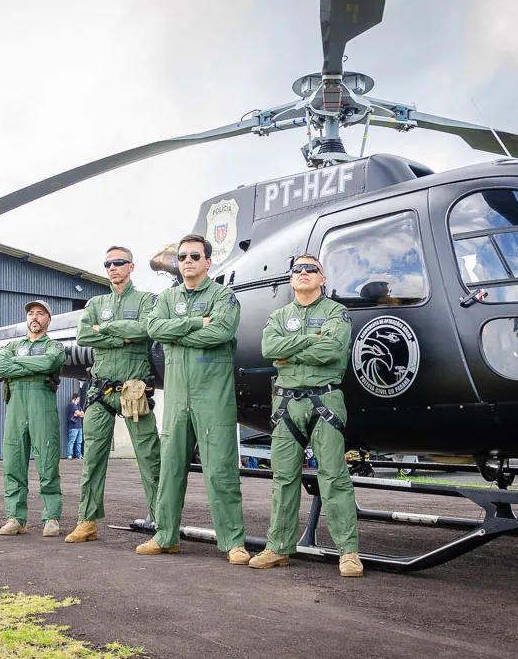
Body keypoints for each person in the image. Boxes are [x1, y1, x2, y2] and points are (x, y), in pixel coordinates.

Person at [137, 234, 249, 565]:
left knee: (220, 470)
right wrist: (195, 323)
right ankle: (165, 535)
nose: (187, 261)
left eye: (195, 256)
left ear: (207, 261)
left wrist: (178, 335)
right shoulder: (166, 297)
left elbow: (222, 332)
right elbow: (155, 328)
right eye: (183, 256)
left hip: (212, 397)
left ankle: (233, 541)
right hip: (176, 398)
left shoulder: (224, 296)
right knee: (170, 468)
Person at [249, 254, 363, 577]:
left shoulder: (336, 312)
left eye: (311, 269)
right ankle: (279, 547)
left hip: (324, 400)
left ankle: (349, 552)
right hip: (286, 405)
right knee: (283, 478)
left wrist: (291, 349)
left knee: (334, 476)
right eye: (297, 269)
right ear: (290, 279)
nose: (303, 273)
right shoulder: (278, 315)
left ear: (322, 278)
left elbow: (333, 350)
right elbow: (269, 348)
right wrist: (311, 341)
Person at [65, 246, 161, 544]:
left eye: (119, 263)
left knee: (150, 456)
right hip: (99, 391)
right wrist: (123, 334)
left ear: (131, 267)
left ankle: (163, 522)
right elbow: (83, 335)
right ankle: (86, 521)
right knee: (92, 458)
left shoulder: (147, 299)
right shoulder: (96, 302)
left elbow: (146, 328)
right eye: (108, 264)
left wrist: (104, 330)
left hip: (133, 390)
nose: (112, 268)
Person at [0, 299, 67, 537]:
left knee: (47, 461)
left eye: (40, 314)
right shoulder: (12, 346)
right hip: (16, 406)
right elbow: (0, 368)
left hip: (41, 405)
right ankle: (15, 517)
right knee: (13, 462)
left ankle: (52, 518)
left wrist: (18, 365)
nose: (34, 317)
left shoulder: (54, 347)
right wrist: (31, 367)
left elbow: (48, 363)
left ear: (48, 319)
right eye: (31, 314)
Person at [67, 394, 84, 459]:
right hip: (73, 427)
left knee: (79, 442)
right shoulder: (71, 405)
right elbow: (80, 413)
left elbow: (83, 415)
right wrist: (79, 414)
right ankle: (69, 455)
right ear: (75, 398)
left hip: (79, 427)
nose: (79, 400)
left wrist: (77, 414)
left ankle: (78, 455)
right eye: (78, 398)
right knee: (72, 441)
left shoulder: (78, 407)